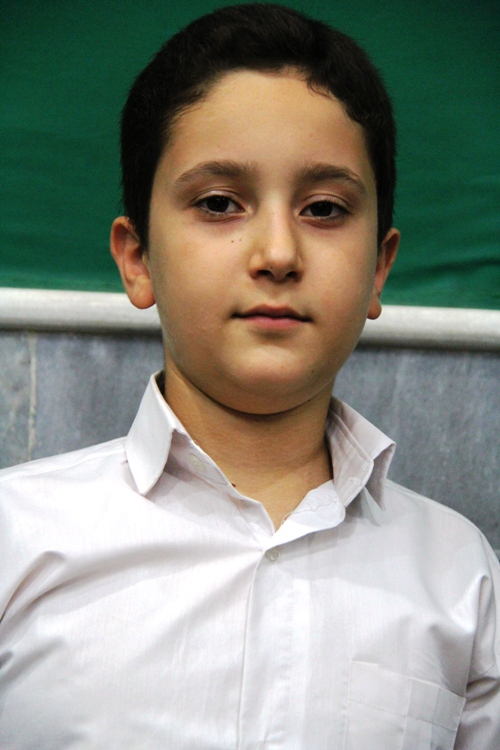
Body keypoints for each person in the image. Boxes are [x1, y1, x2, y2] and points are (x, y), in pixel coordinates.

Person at [0, 4, 498, 748]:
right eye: (218, 204)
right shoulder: (16, 538)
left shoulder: (461, 578)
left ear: (379, 268)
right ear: (137, 259)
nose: (278, 254)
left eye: (324, 208)